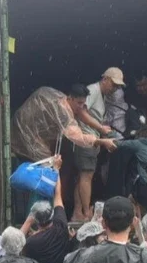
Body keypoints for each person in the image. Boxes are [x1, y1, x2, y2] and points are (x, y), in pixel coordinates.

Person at [10, 86, 118, 219]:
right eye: (78, 103)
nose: (81, 106)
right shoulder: (62, 114)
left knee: (49, 175)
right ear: (70, 98)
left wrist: (101, 128)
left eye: (83, 103)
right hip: (28, 137)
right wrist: (101, 141)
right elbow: (79, 138)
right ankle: (38, 218)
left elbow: (81, 113)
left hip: (27, 129)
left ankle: (44, 215)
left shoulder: (59, 96)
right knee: (47, 180)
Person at [72, 69, 127, 221]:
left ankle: (78, 212)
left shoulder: (100, 94)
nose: (115, 88)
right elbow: (80, 112)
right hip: (86, 139)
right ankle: (85, 213)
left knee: (83, 176)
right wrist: (100, 128)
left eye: (117, 86)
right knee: (86, 176)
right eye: (113, 84)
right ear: (105, 79)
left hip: (91, 138)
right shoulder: (93, 90)